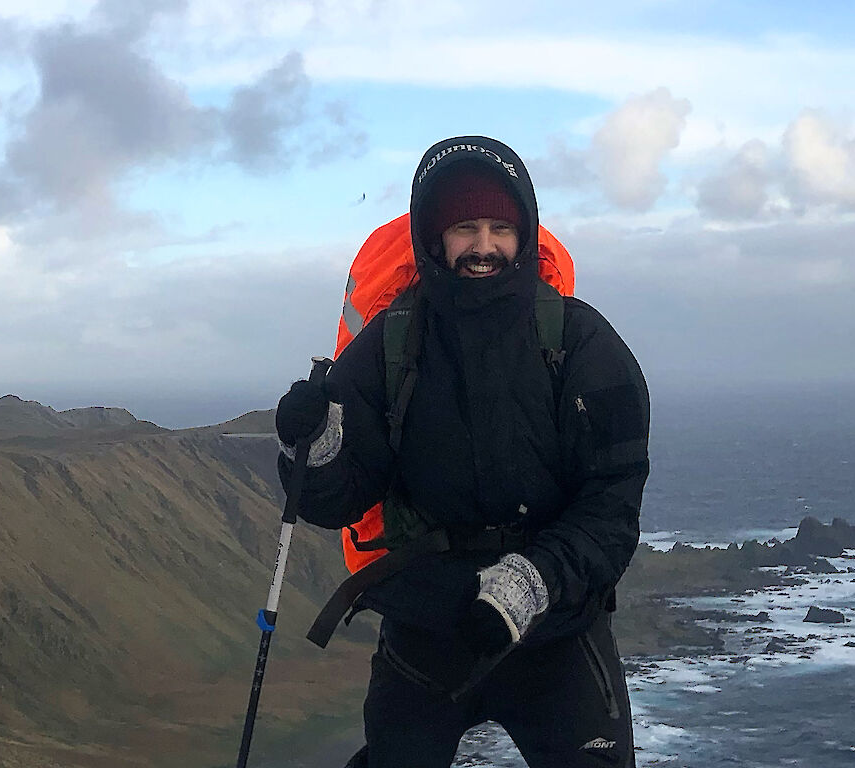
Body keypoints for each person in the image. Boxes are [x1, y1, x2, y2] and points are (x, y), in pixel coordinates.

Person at [274, 136, 650, 768]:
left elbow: (612, 505)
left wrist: (528, 585)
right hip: (427, 629)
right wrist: (312, 446)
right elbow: (339, 496)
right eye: (465, 228)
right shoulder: (390, 344)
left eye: (501, 227)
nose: (484, 246)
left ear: (525, 234)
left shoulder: (582, 344)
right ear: (432, 237)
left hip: (554, 632)